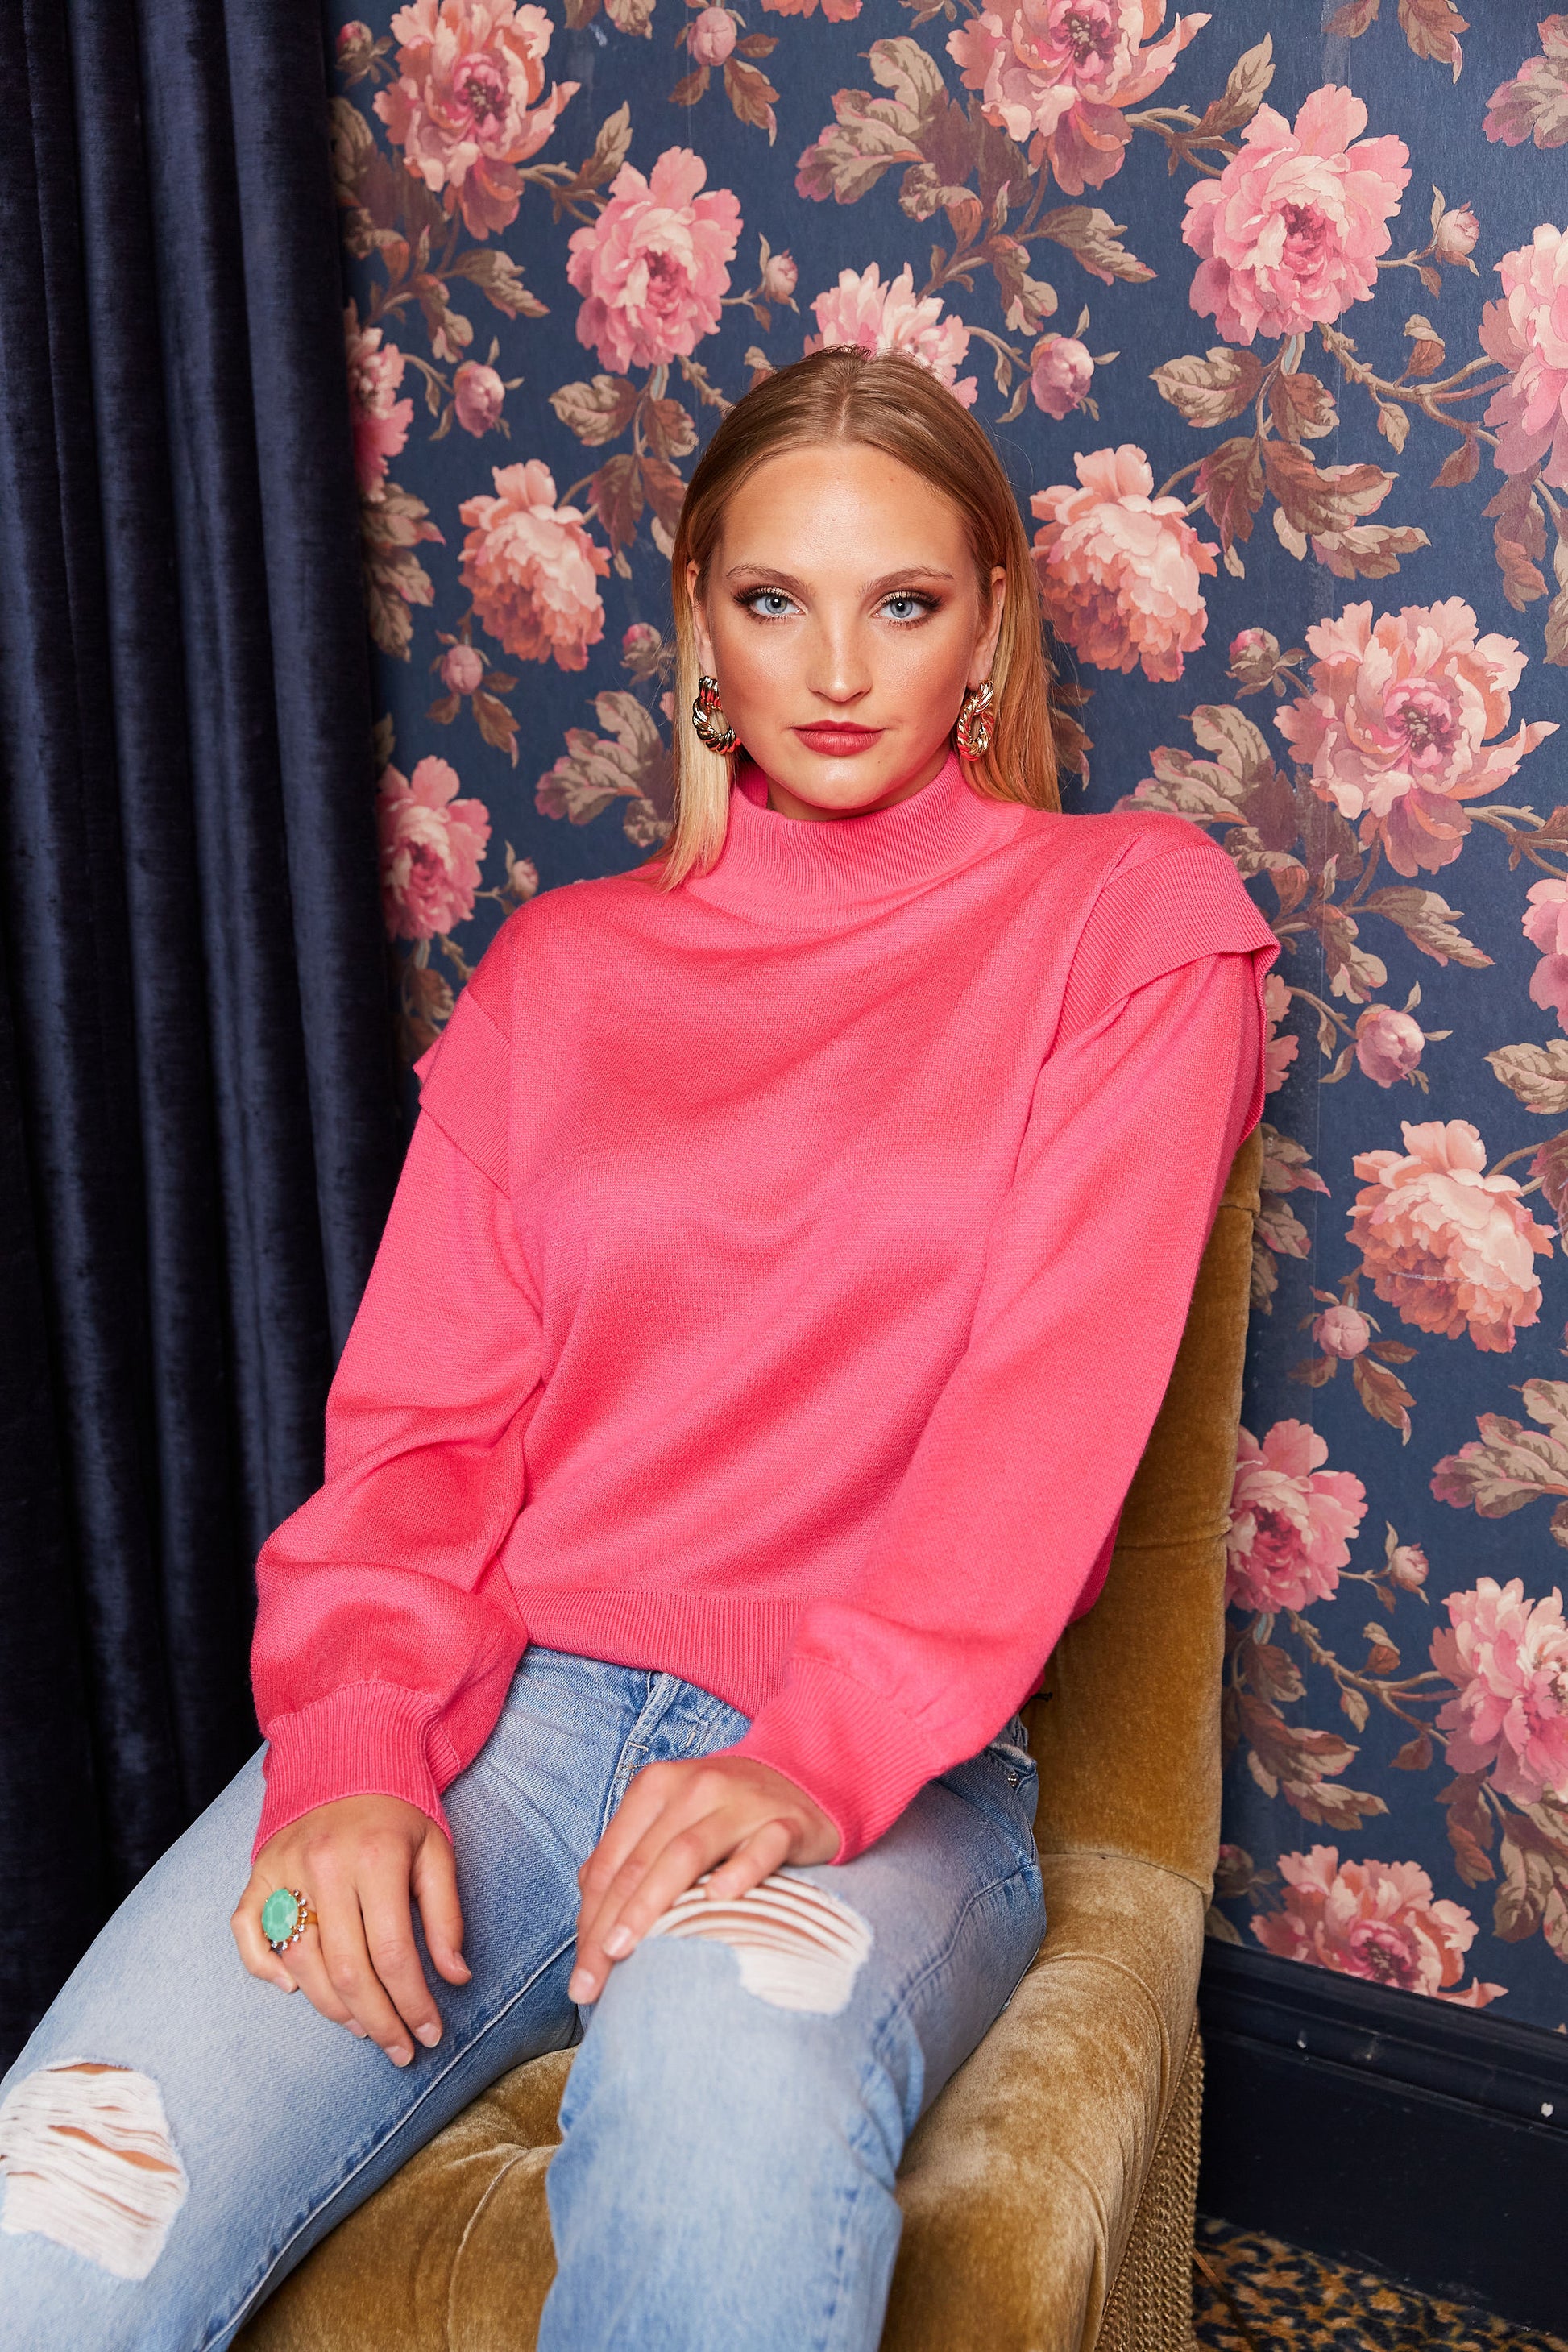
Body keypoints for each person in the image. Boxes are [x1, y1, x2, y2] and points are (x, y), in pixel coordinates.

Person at [0, 346, 1277, 2350]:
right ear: (699, 626)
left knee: (715, 2104)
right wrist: (345, 1749)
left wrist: (816, 1754)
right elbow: (420, 1427)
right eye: (774, 598)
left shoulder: (1131, 923)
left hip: (887, 1769)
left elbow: (1043, 1418)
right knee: (56, 2203)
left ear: (992, 631)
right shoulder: (562, 968)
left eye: (905, 600)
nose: (839, 663)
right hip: (499, 1721)